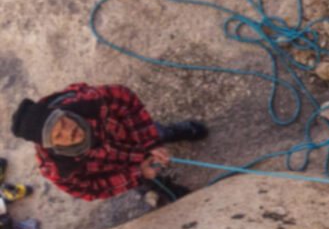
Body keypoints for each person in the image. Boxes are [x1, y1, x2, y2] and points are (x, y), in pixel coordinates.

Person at [10, 83, 207, 202]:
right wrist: (137, 173)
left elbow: (127, 101)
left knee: (157, 133)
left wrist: (151, 143)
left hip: (130, 133)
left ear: (61, 113)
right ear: (50, 145)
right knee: (148, 180)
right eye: (59, 135)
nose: (70, 132)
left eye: (63, 122)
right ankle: (163, 187)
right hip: (120, 167)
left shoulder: (90, 101)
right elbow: (91, 190)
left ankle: (171, 133)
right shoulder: (59, 170)